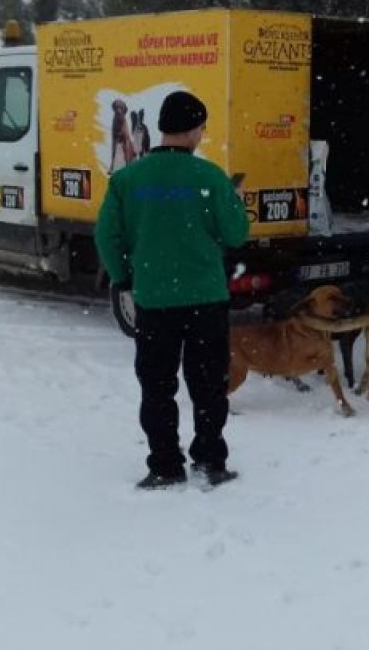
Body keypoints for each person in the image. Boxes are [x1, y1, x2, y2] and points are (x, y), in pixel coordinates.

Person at [95, 91, 250, 490]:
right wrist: (233, 204)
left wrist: (124, 276)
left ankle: (165, 464)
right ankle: (211, 458)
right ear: (196, 129)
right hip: (206, 300)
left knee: (157, 385)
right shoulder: (211, 177)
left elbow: (107, 235)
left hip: (154, 299)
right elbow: (236, 233)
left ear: (163, 128)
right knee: (209, 386)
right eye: (202, 126)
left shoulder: (128, 179)